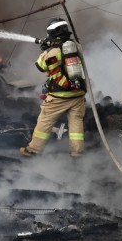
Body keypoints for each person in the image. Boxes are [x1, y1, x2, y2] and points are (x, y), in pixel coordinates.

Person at [20, 18, 86, 158]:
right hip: (78, 93)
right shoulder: (75, 46)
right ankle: (77, 152)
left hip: (59, 95)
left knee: (45, 121)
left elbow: (40, 66)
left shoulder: (53, 52)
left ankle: (34, 150)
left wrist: (46, 50)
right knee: (76, 122)